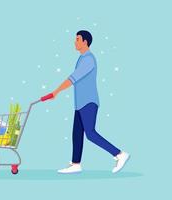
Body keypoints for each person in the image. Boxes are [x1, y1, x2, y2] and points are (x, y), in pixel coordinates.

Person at [48, 30, 130, 174]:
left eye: (77, 39)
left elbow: (73, 78)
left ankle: (119, 154)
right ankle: (75, 164)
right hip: (80, 103)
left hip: (88, 103)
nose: (75, 42)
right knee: (77, 133)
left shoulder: (89, 59)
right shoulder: (81, 58)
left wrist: (56, 91)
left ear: (85, 42)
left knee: (90, 134)